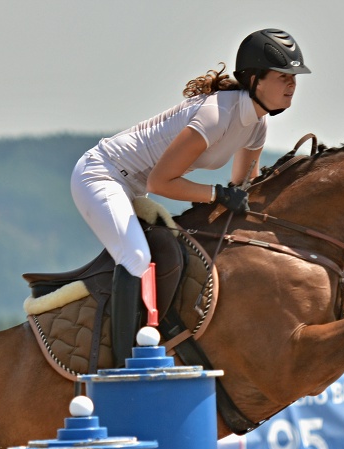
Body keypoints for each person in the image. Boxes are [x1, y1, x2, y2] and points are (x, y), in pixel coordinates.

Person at [70, 28, 311, 365]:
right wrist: (216, 194)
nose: (292, 84)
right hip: (102, 174)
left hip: (132, 186)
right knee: (136, 257)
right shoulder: (216, 115)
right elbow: (160, 182)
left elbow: (243, 186)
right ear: (255, 79)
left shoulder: (257, 125)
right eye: (283, 76)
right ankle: (125, 366)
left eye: (294, 77)